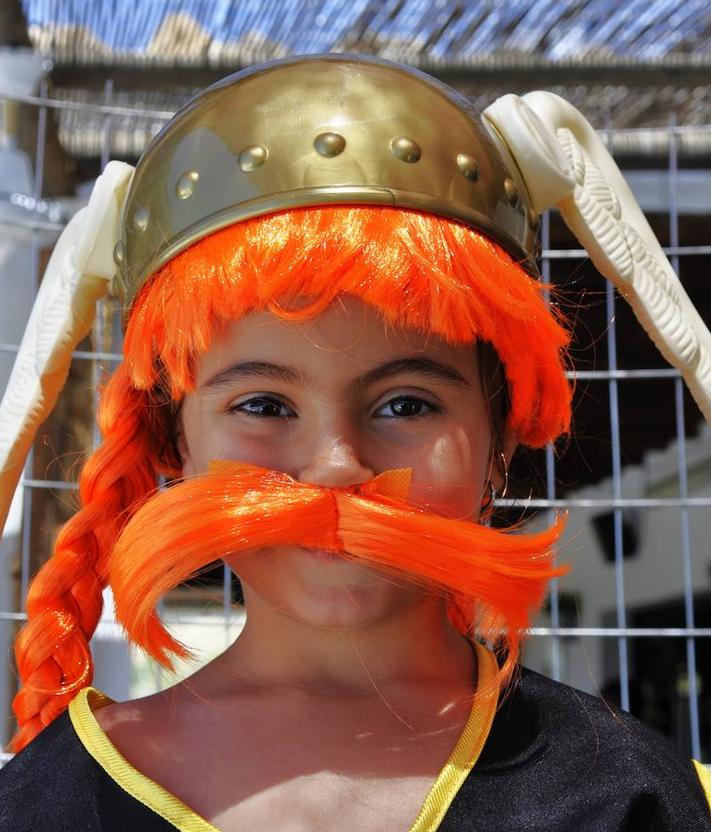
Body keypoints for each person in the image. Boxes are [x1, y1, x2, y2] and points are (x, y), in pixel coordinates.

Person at [1, 54, 710, 832]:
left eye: (405, 403)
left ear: (499, 440)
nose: (336, 464)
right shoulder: (44, 804)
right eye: (264, 404)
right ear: (175, 443)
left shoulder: (627, 794)